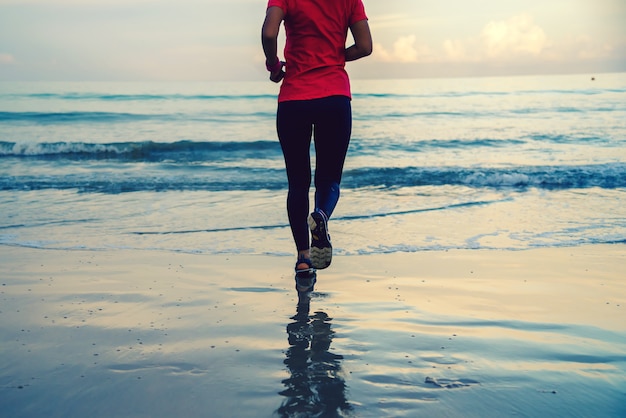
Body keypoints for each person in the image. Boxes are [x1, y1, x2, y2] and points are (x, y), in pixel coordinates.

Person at [261, 0, 372, 282]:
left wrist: (274, 66)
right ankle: (321, 214)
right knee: (329, 179)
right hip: (334, 97)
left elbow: (269, 33)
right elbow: (365, 46)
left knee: (297, 183)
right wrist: (336, 57)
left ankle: (302, 258)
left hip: (294, 99)